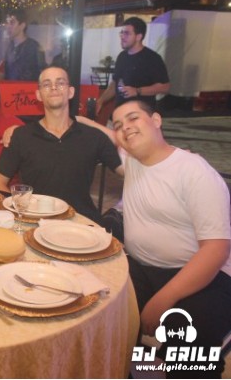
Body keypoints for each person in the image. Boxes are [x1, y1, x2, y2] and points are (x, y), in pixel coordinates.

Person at [112, 100, 231, 378]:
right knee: (106, 309)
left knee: (188, 334)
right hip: (142, 268)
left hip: (203, 274)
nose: (125, 128)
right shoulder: (131, 158)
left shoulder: (194, 171)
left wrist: (163, 299)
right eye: (118, 125)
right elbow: (104, 134)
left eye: (133, 118)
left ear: (156, 120)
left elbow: (216, 250)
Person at [0, 66, 123, 223]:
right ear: (38, 95)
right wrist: (22, 213)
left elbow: (127, 170)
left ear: (71, 92)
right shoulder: (21, 136)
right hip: (37, 223)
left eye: (60, 83)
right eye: (47, 84)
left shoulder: (93, 137)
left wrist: (86, 121)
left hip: (81, 222)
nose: (54, 87)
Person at [96, 17, 170, 119]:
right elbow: (115, 84)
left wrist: (137, 91)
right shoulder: (122, 56)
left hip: (140, 117)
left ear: (139, 37)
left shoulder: (152, 58)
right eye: (121, 33)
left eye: (127, 33)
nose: (122, 36)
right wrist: (101, 100)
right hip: (119, 114)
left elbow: (165, 87)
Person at [0, 9, 46, 82]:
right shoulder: (10, 48)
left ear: (22, 26)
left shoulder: (34, 48)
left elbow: (43, 74)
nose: (8, 26)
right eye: (7, 22)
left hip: (29, 88)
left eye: (12, 23)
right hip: (10, 88)